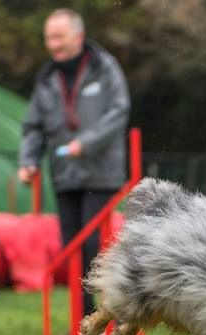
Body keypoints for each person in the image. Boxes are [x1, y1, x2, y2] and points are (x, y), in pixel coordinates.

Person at [18, 8, 130, 318]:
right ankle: (83, 320)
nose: (53, 44)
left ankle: (114, 314)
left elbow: (119, 112)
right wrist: (28, 161)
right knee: (71, 249)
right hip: (65, 175)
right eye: (48, 38)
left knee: (94, 245)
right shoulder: (47, 78)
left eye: (59, 37)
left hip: (101, 174)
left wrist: (87, 142)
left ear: (78, 36)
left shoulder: (104, 68)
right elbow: (34, 127)